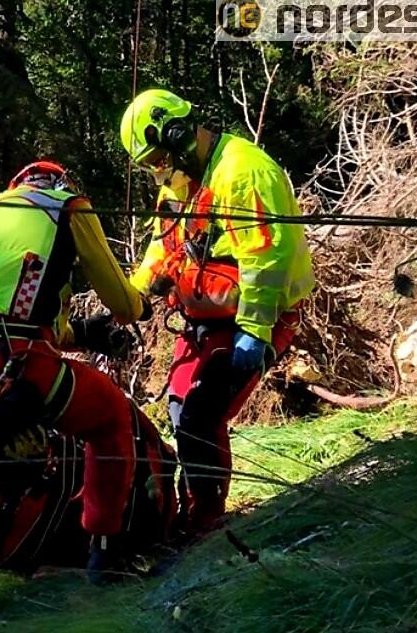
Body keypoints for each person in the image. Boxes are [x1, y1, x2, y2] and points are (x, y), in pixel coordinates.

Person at [0, 160, 150, 625]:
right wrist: (139, 303)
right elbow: (120, 301)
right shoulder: (68, 208)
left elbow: (9, 298)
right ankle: (104, 548)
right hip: (17, 362)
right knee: (109, 419)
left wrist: (78, 334)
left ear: (17, 185)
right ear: (58, 183)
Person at [119, 88, 315, 535]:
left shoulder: (243, 171)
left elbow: (267, 257)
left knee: (201, 416)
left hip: (253, 318)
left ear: (177, 135)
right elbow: (161, 245)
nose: (156, 171)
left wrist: (255, 330)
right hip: (204, 322)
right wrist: (134, 294)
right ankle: (192, 509)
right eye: (148, 165)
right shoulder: (178, 183)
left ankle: (206, 521)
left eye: (156, 159)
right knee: (177, 410)